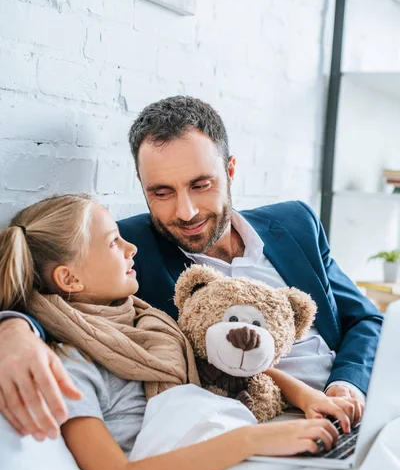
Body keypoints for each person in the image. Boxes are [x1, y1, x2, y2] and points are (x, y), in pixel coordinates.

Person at [0, 96, 381, 441]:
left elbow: (363, 319)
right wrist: (12, 330)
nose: (185, 212)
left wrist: (346, 384)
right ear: (142, 185)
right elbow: (44, 278)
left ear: (230, 171)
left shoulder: (296, 222)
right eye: (161, 192)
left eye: (201, 185)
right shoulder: (130, 249)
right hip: (268, 425)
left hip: (356, 401)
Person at [0, 194, 352, 470]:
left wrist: (306, 397)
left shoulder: (147, 324)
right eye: (113, 243)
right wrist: (254, 440)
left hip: (228, 453)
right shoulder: (71, 366)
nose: (131, 248)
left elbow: (225, 367)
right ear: (70, 280)